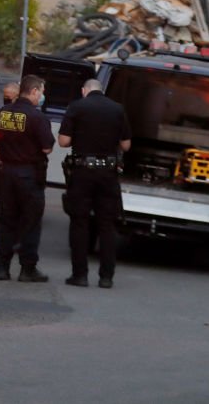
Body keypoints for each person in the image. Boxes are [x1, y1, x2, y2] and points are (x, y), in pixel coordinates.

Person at [58, 78, 131, 289]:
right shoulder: (118, 109)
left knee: (79, 223)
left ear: (84, 91)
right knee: (107, 225)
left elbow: (64, 141)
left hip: (82, 172)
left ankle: (79, 275)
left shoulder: (76, 107)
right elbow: (126, 145)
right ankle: (106, 277)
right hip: (108, 174)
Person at [0, 75, 54, 282]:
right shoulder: (37, 118)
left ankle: (2, 266)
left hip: (7, 172)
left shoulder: (3, 113)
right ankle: (27, 269)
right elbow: (47, 147)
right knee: (30, 222)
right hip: (29, 174)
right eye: (42, 92)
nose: (42, 96)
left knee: (7, 220)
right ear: (35, 91)